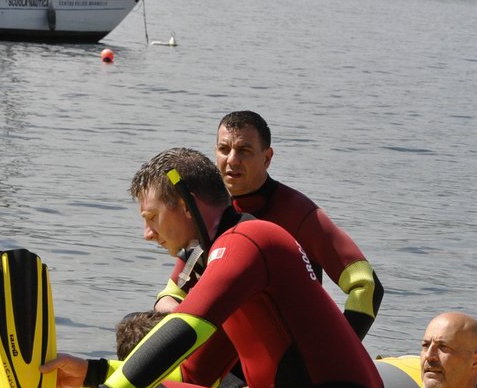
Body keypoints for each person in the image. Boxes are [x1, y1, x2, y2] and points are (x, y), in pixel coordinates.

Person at [47, 147, 386, 388]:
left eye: (151, 217)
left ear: (183, 204)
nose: (147, 234)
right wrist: (93, 372)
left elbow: (185, 327)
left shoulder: (249, 240)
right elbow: (193, 374)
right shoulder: (235, 256)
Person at [152, 110, 383, 340]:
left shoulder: (297, 213)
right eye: (224, 149)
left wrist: (339, 351)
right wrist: (181, 321)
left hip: (288, 361)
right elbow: (171, 293)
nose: (232, 160)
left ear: (267, 157)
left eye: (244, 150)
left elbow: (366, 286)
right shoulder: (208, 212)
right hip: (223, 356)